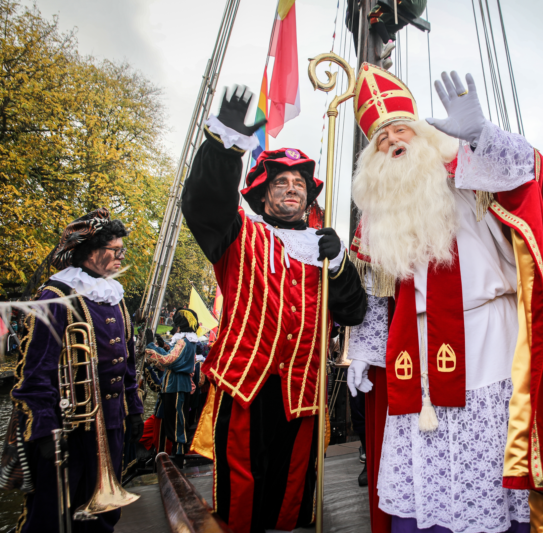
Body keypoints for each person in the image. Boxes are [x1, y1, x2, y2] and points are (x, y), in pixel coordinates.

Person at [345, 65, 543, 533]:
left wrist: (482, 135)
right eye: (379, 136)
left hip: (489, 338)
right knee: (426, 475)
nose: (391, 139)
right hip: (418, 348)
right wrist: (364, 351)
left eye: (400, 127)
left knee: (489, 462)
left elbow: (529, 174)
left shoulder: (471, 175)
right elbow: (378, 289)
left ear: (425, 132)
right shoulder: (379, 216)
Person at [180, 86, 367, 533]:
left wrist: (339, 264)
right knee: (241, 491)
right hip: (245, 382)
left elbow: (354, 312)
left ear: (308, 197)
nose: (290, 189)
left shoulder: (323, 251)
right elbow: (203, 203)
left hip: (301, 390)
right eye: (281, 183)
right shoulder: (237, 232)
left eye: (298, 184)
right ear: (264, 195)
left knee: (293, 491)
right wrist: (224, 146)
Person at [11, 208, 144, 532]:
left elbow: (126, 365)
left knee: (102, 518)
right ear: (89, 252)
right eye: (113, 250)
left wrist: (134, 410)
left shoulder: (115, 297)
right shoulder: (54, 297)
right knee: (51, 515)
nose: (119, 256)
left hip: (110, 425)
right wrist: (44, 432)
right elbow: (35, 376)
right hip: (65, 432)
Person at [145, 309, 199, 469]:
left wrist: (151, 346)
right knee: (177, 421)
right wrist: (163, 346)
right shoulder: (188, 341)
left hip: (176, 385)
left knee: (176, 422)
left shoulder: (183, 342)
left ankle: (178, 456)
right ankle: (177, 454)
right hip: (177, 384)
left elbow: (169, 360)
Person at [346, 0, 428, 69]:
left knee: (373, 15)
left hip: (409, 2)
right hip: (416, 10)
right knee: (386, 29)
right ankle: (387, 57)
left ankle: (387, 43)